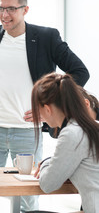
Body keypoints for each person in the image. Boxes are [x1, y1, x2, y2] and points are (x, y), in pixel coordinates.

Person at [0, 0, 89, 213]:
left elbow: (80, 72)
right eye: (0, 8)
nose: (4, 15)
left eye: (11, 9)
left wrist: (51, 106)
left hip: (29, 132)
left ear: (25, 10)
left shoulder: (47, 37)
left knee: (28, 199)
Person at [31, 73, 99, 213]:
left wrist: (45, 163)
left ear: (48, 109)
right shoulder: (93, 126)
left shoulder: (72, 133)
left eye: (40, 110)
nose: (41, 116)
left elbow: (48, 184)